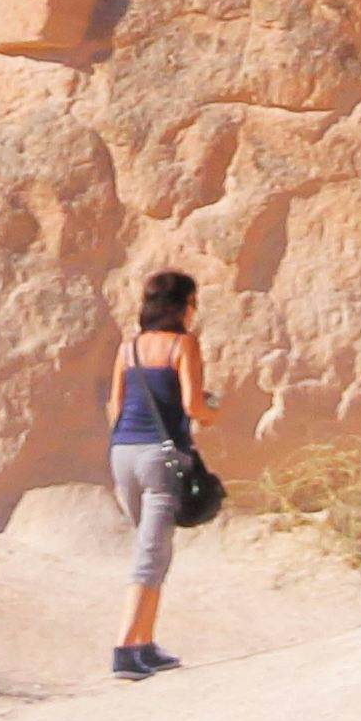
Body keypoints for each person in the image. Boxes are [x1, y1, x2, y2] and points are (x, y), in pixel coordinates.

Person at [101, 267, 208, 682]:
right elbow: (194, 406)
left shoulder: (128, 350)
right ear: (183, 306)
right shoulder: (183, 345)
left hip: (121, 452)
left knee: (152, 550)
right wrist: (214, 412)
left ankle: (144, 644)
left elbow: (114, 406)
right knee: (151, 555)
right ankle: (126, 649)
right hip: (160, 456)